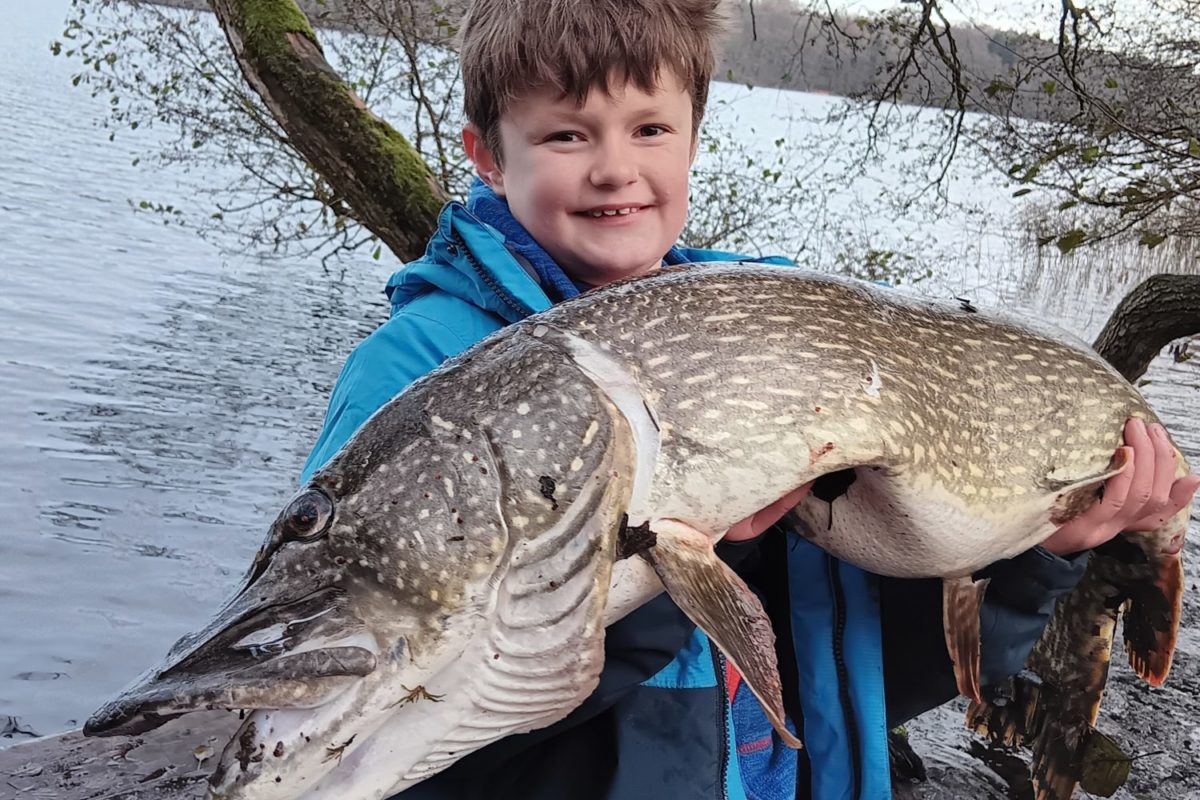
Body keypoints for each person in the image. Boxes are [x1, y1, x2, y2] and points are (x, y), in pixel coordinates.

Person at [299, 1, 1200, 797]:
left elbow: (854, 683)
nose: (615, 169)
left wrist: (1042, 555)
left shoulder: (776, 356)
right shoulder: (419, 378)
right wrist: (663, 571)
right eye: (569, 135)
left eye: (650, 128)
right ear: (487, 156)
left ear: (695, 134)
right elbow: (371, 724)